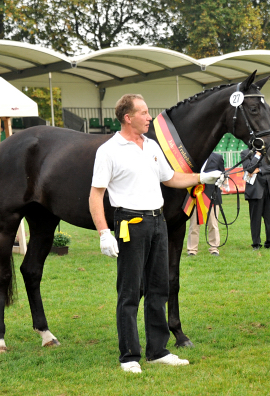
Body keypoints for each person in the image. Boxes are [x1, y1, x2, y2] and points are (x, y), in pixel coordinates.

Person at [89, 94, 222, 373]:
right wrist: (103, 232)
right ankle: (129, 356)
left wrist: (201, 178)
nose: (150, 117)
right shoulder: (109, 150)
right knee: (129, 291)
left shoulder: (151, 146)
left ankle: (158, 350)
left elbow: (171, 178)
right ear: (128, 118)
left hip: (157, 221)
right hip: (130, 222)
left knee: (158, 289)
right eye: (144, 112)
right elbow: (96, 194)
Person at [187, 152, 225, 257]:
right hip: (196, 195)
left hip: (213, 196)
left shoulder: (217, 158)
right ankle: (192, 249)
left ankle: (214, 248)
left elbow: (223, 174)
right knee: (194, 224)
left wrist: (221, 179)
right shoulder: (193, 155)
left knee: (213, 223)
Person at [240, 148, 270, 250]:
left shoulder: (269, 152)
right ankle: (256, 243)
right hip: (255, 190)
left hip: (269, 188)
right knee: (255, 219)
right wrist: (257, 155)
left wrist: (259, 170)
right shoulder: (245, 153)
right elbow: (249, 168)